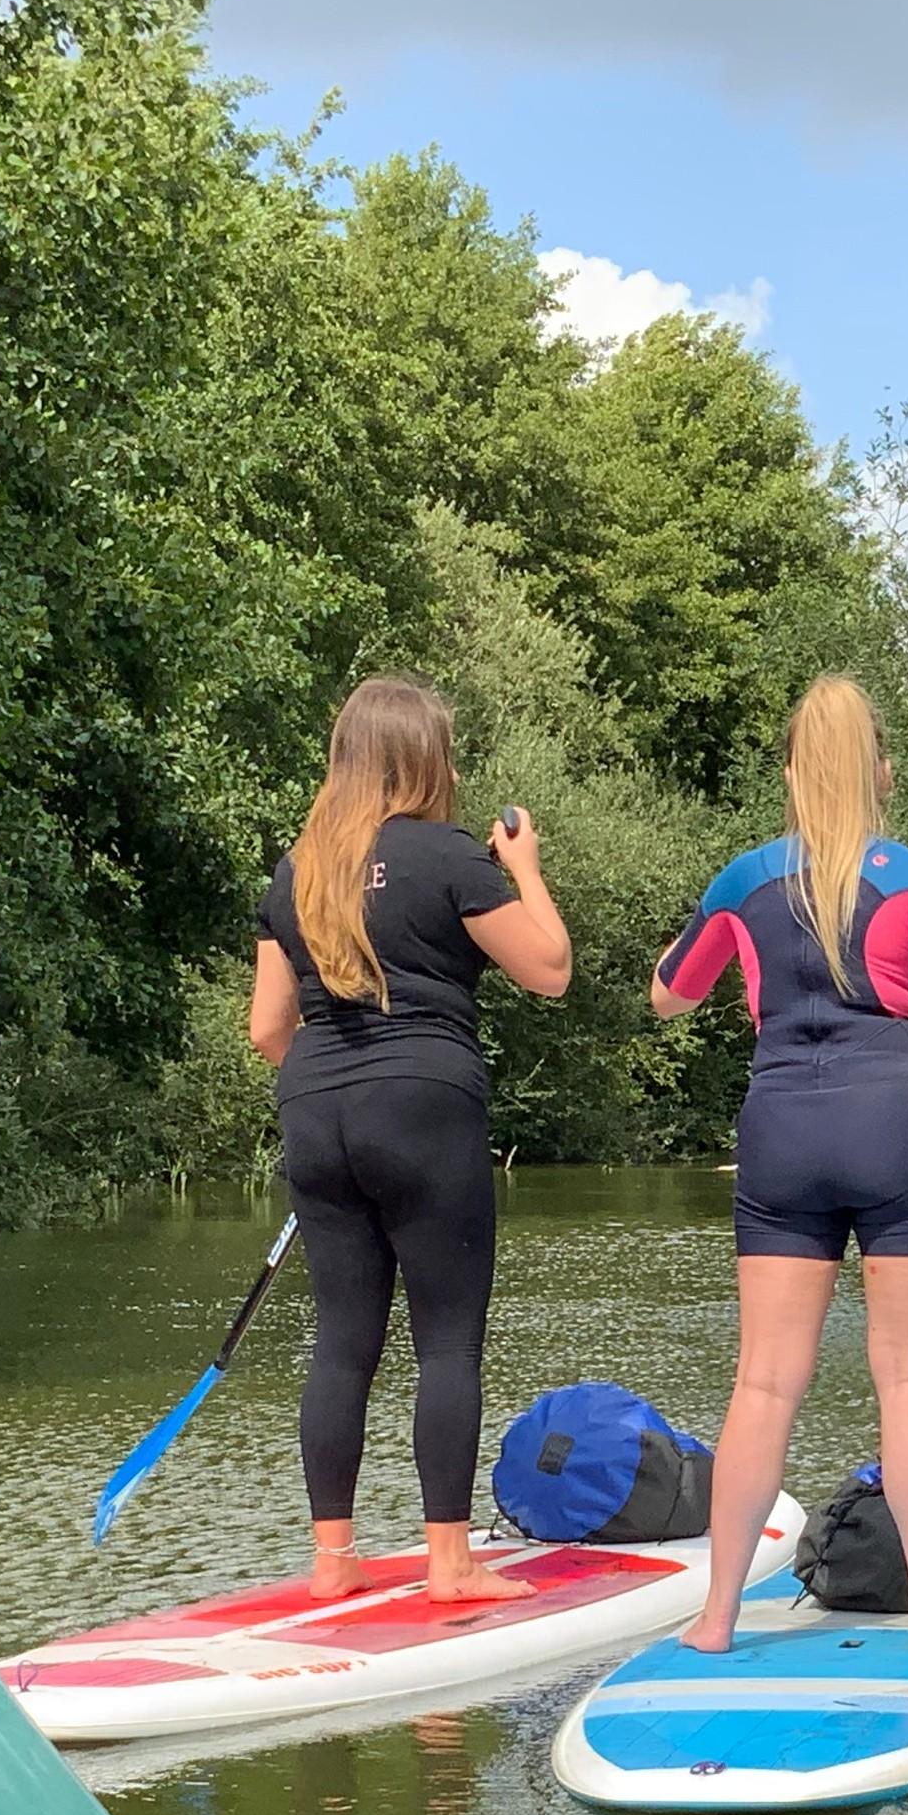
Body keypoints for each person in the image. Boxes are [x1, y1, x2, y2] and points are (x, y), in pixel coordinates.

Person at [653, 675, 908, 1656]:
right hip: (899, 1123)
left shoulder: (743, 880)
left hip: (781, 1127)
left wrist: (725, 938)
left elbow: (666, 997)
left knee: (764, 1384)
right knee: (907, 1383)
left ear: (789, 777)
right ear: (882, 774)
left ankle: (716, 1618)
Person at [247, 674, 572, 1601]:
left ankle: (331, 1562)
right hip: (424, 1102)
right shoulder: (451, 857)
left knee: (343, 1339)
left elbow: (270, 1029)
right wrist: (526, 869)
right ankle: (449, 1562)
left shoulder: (296, 871)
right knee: (445, 1342)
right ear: (425, 760)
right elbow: (550, 969)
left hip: (317, 1110)